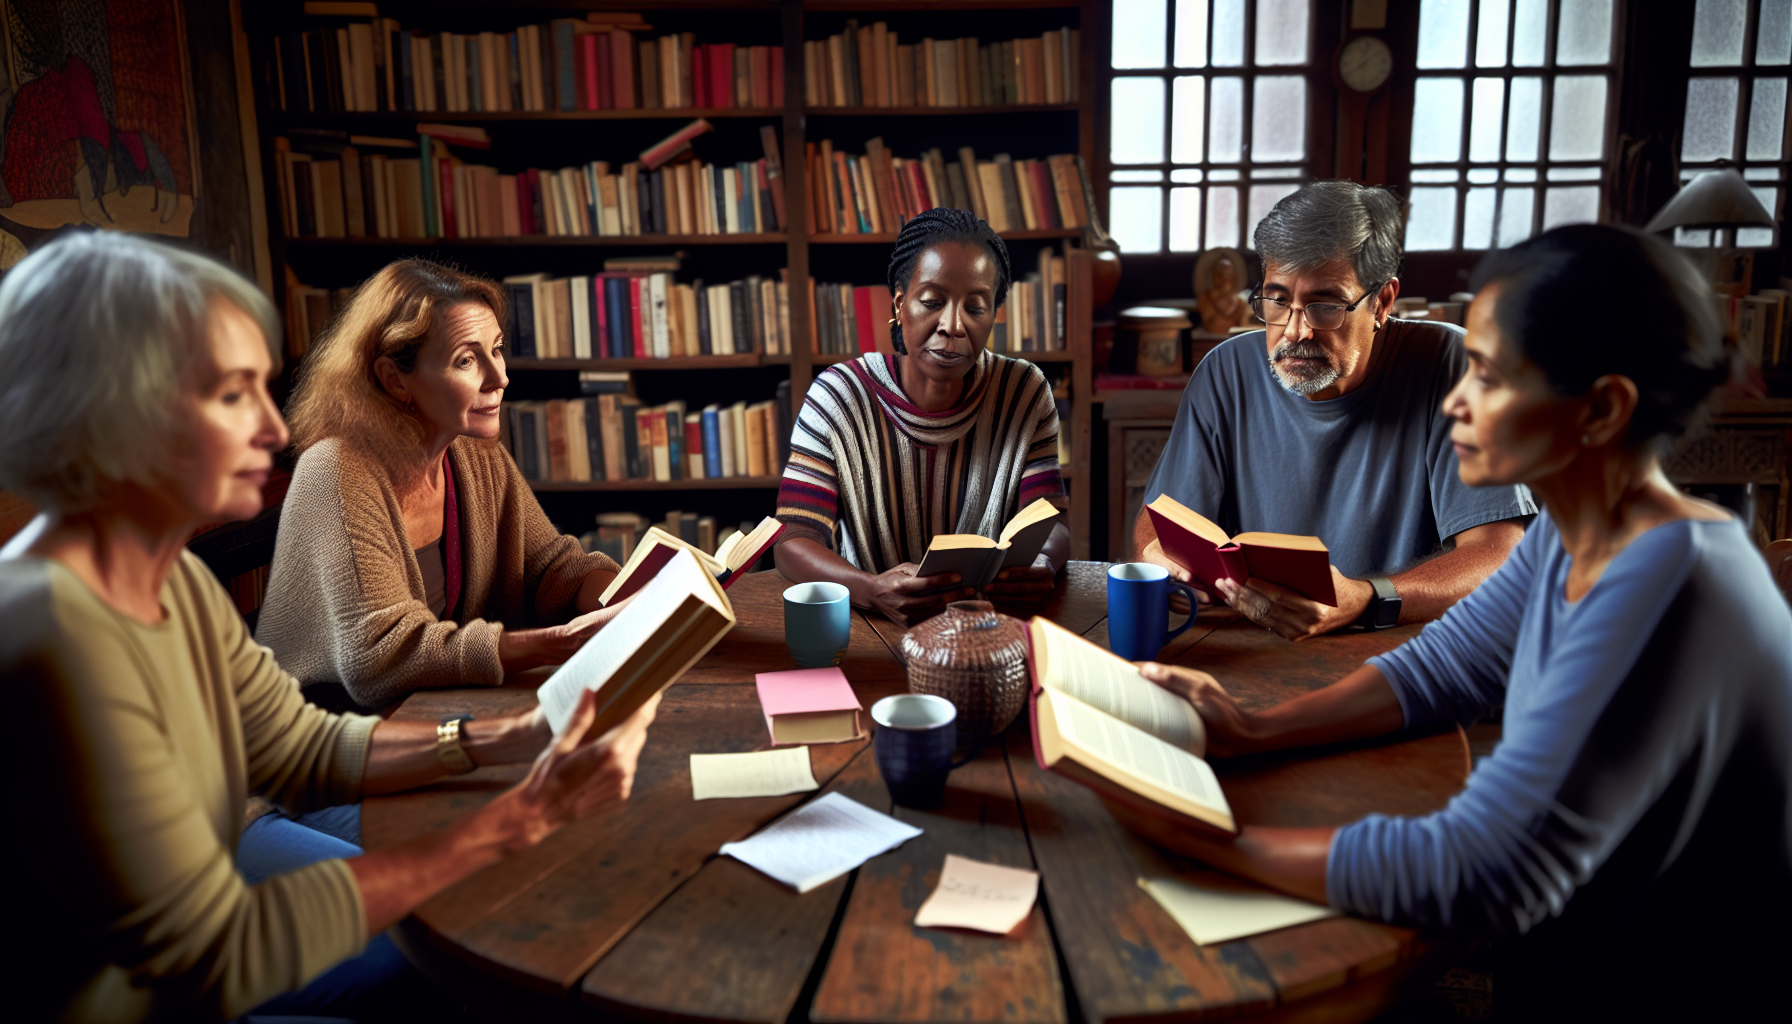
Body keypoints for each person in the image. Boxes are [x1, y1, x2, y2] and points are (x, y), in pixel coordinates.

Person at [1122, 224, 1791, 1019]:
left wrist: (1205, 841)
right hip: (1573, 972)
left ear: (1603, 408)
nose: (1455, 402)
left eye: (1488, 374)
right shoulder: (1573, 532)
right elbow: (1443, 670)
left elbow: (1489, 867)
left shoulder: (1672, 580)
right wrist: (1253, 730)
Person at [0, 231, 660, 1022]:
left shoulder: (171, 578)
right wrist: (501, 826)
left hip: (250, 822)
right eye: (229, 393)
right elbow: (215, 947)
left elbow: (301, 746)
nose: (277, 432)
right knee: (464, 953)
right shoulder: (48, 635)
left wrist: (515, 738)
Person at [1135, 181, 1535, 639]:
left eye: (1325, 306)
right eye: (1278, 300)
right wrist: (1156, 555)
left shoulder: (1453, 368)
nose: (1295, 332)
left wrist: (1368, 599)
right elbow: (1161, 519)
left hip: (1402, 651)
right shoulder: (1224, 372)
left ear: (1383, 301)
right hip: (1257, 641)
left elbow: (1499, 556)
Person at [257, 259, 627, 711]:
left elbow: (552, 569)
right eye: (467, 360)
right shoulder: (335, 471)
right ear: (395, 380)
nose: (499, 378)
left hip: (435, 709)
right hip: (328, 737)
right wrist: (559, 642)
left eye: (497, 349)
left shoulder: (469, 451)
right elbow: (380, 658)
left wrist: (625, 598)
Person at [774, 208, 1069, 627]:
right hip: (869, 627)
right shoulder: (838, 395)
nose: (953, 325)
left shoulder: (1024, 392)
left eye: (976, 307)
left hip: (986, 627)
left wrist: (1044, 563)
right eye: (932, 302)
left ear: (994, 316)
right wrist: (871, 589)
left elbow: (1050, 520)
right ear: (900, 303)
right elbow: (792, 540)